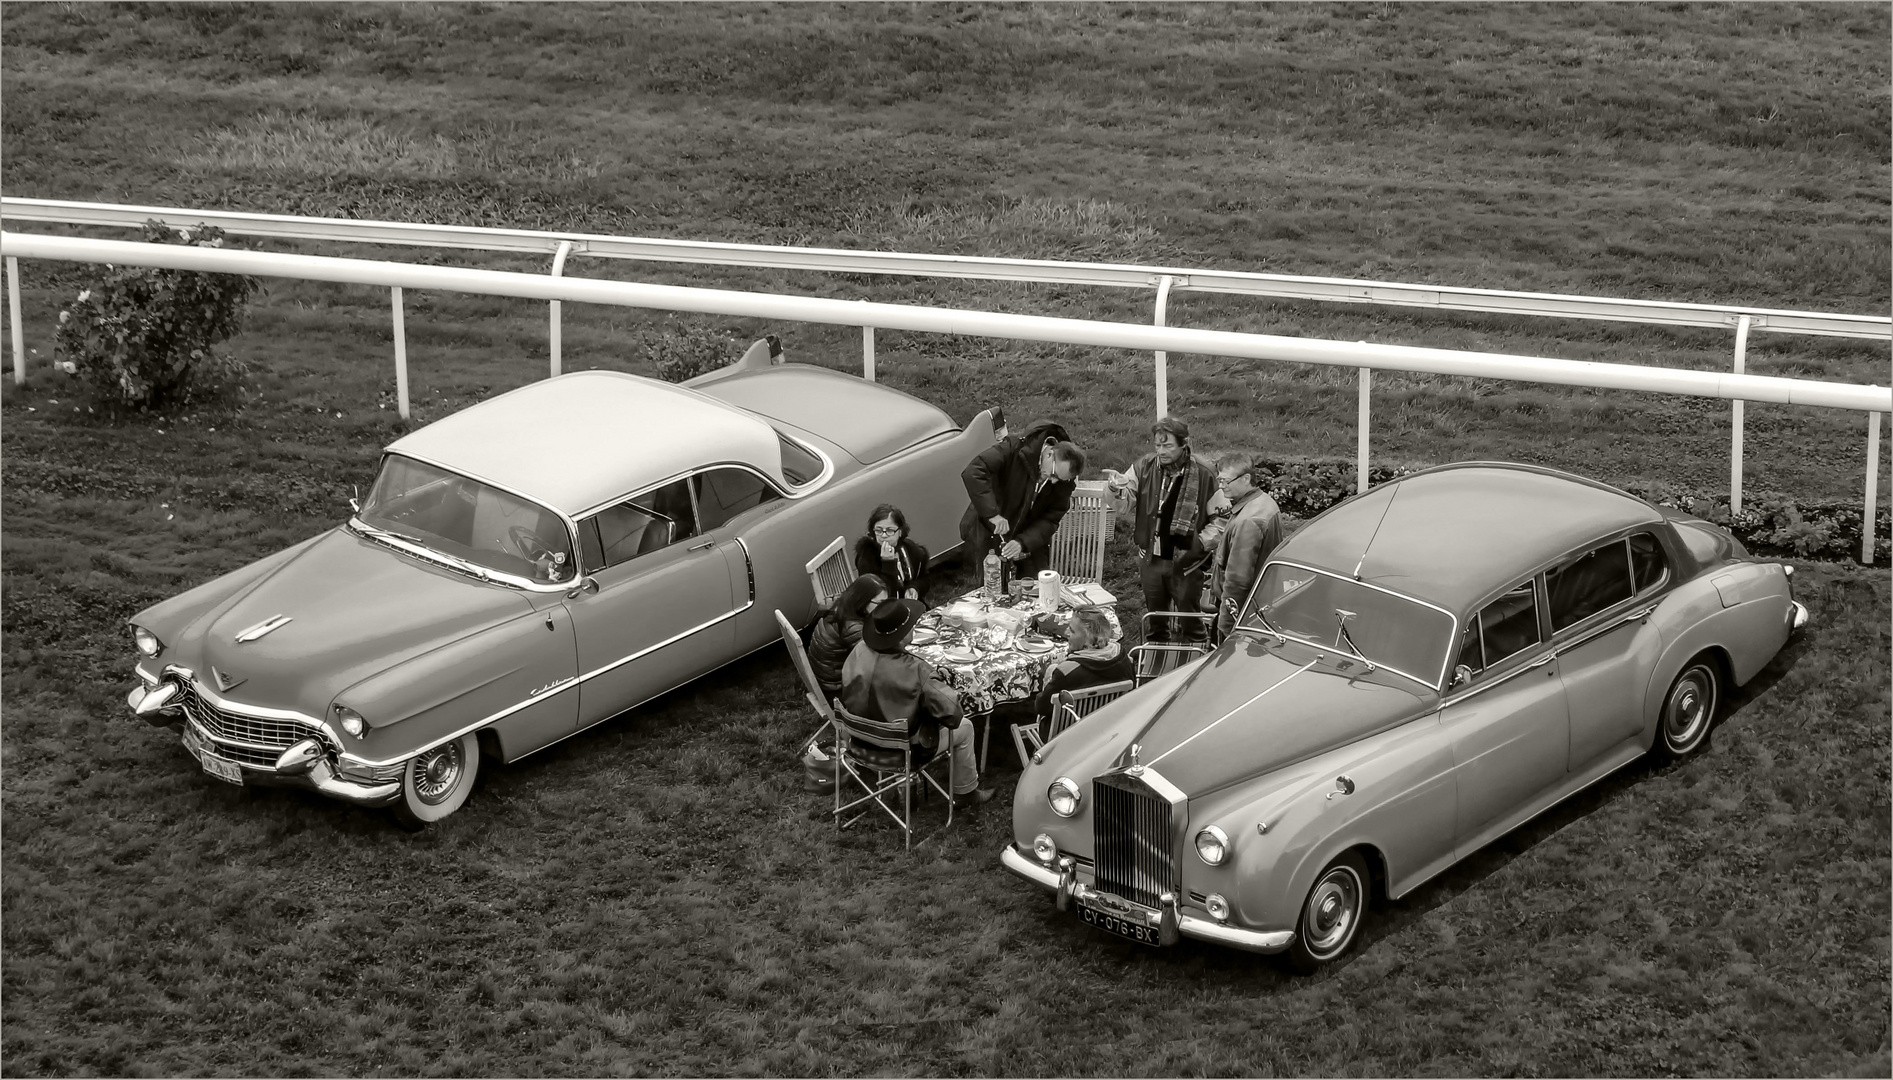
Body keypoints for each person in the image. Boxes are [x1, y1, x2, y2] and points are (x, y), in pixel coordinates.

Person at [841, 599, 994, 807]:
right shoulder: (917, 670)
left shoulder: (857, 651)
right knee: (966, 727)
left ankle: (905, 788)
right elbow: (953, 715)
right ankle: (966, 793)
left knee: (893, 721)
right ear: (903, 635)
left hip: (858, 742)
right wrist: (937, 684)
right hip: (902, 753)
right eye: (911, 626)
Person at [1102, 416, 1219, 642]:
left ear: (1184, 444)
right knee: (1155, 618)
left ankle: (1196, 661)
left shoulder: (1205, 472)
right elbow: (1123, 504)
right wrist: (1114, 488)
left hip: (1187, 561)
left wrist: (1201, 544)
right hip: (1151, 559)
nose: (1161, 451)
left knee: (1190, 620)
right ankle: (1156, 660)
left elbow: (1221, 520)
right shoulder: (1143, 466)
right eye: (1157, 445)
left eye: (1167, 446)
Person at [959, 419, 1087, 580]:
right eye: (1054, 474)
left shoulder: (1064, 483)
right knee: (990, 590)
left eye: (1060, 480)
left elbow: (1050, 519)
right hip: (988, 532)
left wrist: (1022, 542)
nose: (1054, 482)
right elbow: (974, 472)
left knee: (1037, 591)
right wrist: (992, 513)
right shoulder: (1013, 449)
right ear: (1049, 454)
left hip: (1029, 542)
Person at [1203, 453, 1283, 640]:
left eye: (1226, 481)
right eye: (1219, 480)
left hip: (1246, 612)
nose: (1221, 486)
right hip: (1261, 604)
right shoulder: (1263, 502)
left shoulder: (1249, 521)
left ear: (1246, 478)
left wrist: (1227, 625)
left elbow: (1238, 581)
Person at [1031, 607, 1134, 739]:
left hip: (1068, 738)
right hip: (1109, 732)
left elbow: (1041, 708)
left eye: (1072, 631)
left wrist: (1048, 678)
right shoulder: (1124, 658)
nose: (1067, 632)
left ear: (1088, 640)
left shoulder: (1067, 672)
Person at [807, 574, 891, 702]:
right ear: (863, 600)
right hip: (836, 691)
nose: (884, 608)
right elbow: (876, 659)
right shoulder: (851, 625)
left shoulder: (842, 605)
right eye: (880, 603)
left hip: (827, 679)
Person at [853, 505, 930, 602]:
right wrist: (888, 564)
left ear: (900, 532)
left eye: (890, 530)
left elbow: (925, 578)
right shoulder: (867, 558)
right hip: (885, 612)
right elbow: (881, 598)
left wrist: (914, 588)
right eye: (879, 530)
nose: (884, 535)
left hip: (913, 606)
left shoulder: (909, 549)